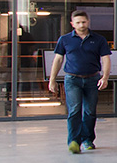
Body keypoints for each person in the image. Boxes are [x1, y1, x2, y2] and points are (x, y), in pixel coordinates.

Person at [47, 10, 111, 154]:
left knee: (89, 111)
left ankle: (87, 140)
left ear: (88, 22)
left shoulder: (99, 39)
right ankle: (74, 142)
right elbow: (58, 59)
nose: (81, 25)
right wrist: (52, 80)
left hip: (92, 79)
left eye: (83, 22)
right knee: (74, 111)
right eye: (78, 23)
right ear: (72, 24)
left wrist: (105, 77)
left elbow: (106, 58)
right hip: (72, 79)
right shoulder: (64, 40)